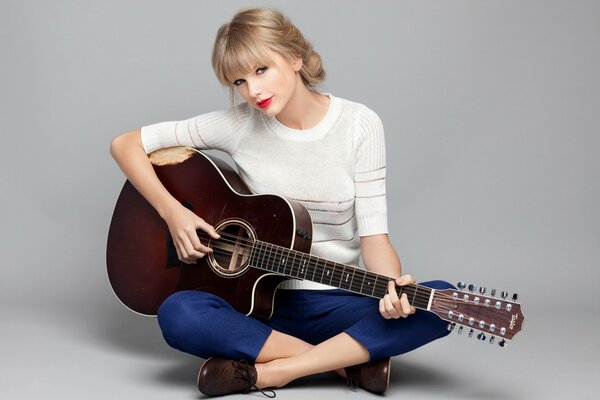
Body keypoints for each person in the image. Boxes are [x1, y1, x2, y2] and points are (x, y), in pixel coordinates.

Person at [110, 7, 453, 397]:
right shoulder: (239, 124)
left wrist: (392, 291)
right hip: (254, 306)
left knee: (441, 300)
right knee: (178, 313)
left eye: (261, 70)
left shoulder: (360, 125)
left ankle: (276, 371)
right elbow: (125, 144)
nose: (252, 91)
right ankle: (343, 364)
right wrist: (173, 214)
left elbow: (374, 238)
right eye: (239, 80)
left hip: (336, 304)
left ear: (295, 58)